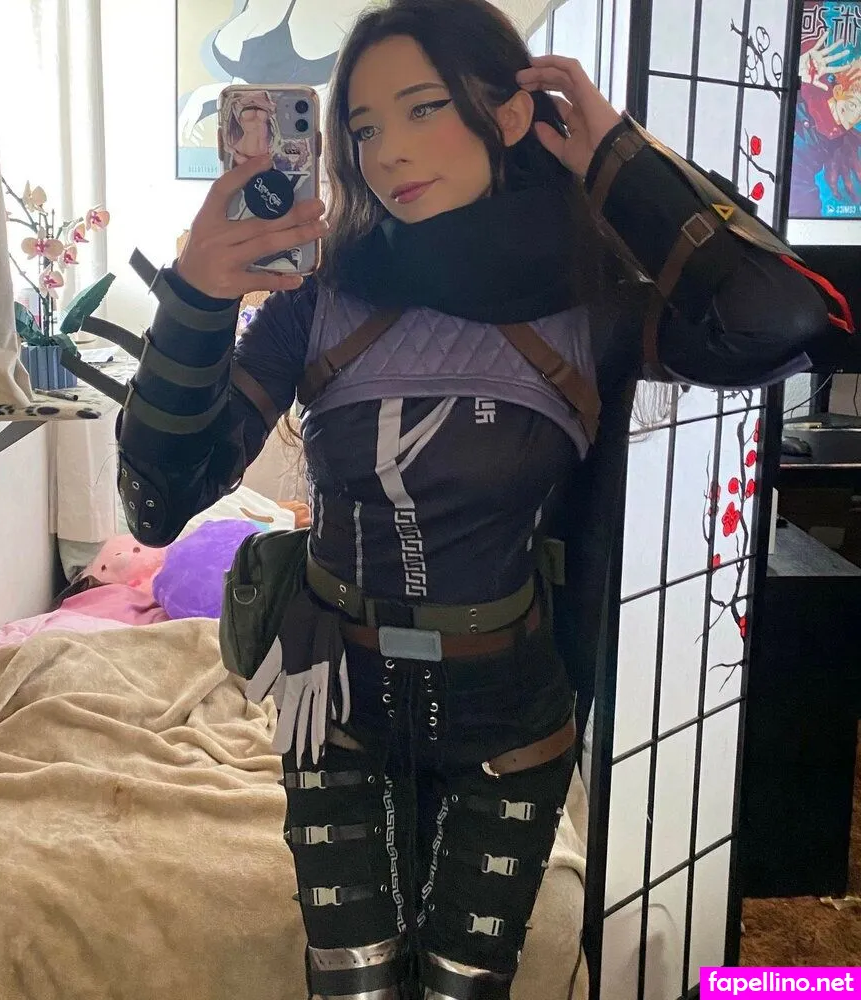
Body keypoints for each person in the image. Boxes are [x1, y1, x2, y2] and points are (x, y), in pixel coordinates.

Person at [114, 2, 853, 997]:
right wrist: (196, 298)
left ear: (508, 115)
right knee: (352, 986)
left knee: (468, 986)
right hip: (336, 704)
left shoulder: (588, 302)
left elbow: (792, 318)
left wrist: (619, 160)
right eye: (364, 127)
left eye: (423, 108)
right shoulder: (319, 297)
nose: (387, 151)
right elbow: (157, 501)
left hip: (511, 715)